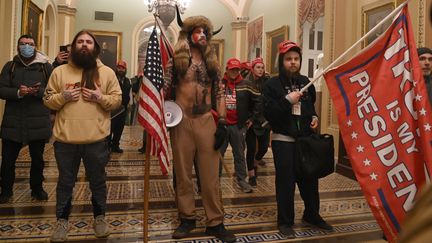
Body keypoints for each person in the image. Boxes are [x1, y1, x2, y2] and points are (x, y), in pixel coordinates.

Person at [163, 12, 236, 243]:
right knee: (183, 174)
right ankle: (187, 218)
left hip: (206, 121)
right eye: (198, 31)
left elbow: (220, 92)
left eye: (205, 31)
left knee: (210, 176)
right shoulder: (176, 60)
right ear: (188, 34)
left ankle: (215, 222)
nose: (202, 34)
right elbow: (164, 89)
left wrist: (222, 122)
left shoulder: (212, 63)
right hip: (181, 121)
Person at [43, 30, 122, 242]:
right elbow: (48, 100)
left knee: (98, 181)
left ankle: (100, 218)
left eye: (88, 42)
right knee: (65, 182)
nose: (84, 45)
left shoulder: (107, 73)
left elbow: (117, 101)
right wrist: (63, 96)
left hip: (96, 141)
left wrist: (100, 97)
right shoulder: (59, 72)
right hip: (65, 142)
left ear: (95, 47)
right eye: (80, 41)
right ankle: (61, 222)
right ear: (72, 46)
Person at [262, 40, 333, 238]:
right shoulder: (271, 85)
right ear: (281, 61)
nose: (293, 62)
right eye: (288, 59)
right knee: (286, 182)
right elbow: (269, 113)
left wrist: (314, 117)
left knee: (310, 179)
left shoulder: (306, 82)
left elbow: (310, 106)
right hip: (283, 140)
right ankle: (285, 221)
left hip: (305, 141)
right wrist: (287, 101)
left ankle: (312, 214)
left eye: (296, 59)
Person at [0, 34, 53, 203]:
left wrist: (38, 91)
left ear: (35, 46)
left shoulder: (46, 67)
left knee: (37, 160)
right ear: (18, 47)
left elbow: (53, 90)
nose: (26, 47)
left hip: (38, 121)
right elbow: (1, 90)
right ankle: (6, 190)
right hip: (13, 122)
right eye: (23, 44)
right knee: (8, 160)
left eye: (30, 44)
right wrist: (18, 93)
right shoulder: (10, 67)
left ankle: (37, 189)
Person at [220, 57, 258, 193]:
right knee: (218, 155)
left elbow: (258, 101)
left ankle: (242, 181)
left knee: (240, 155)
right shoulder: (219, 83)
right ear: (227, 69)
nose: (234, 72)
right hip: (221, 126)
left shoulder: (246, 84)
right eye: (232, 69)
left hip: (238, 126)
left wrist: (252, 118)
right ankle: (214, 182)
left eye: (236, 69)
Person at [245, 57, 271, 187]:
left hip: (264, 120)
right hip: (250, 120)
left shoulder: (267, 81)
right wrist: (247, 118)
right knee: (250, 149)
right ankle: (251, 175)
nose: (260, 70)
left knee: (263, 148)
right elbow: (244, 103)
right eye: (258, 67)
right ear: (252, 68)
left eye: (262, 67)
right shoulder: (246, 82)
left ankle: (255, 163)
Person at [109, 60, 131, 153]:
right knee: (110, 129)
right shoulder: (112, 80)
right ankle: (107, 147)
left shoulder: (128, 81)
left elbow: (130, 94)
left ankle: (115, 146)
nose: (121, 70)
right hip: (113, 110)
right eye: (119, 67)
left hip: (123, 110)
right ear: (116, 68)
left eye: (123, 68)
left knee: (119, 129)